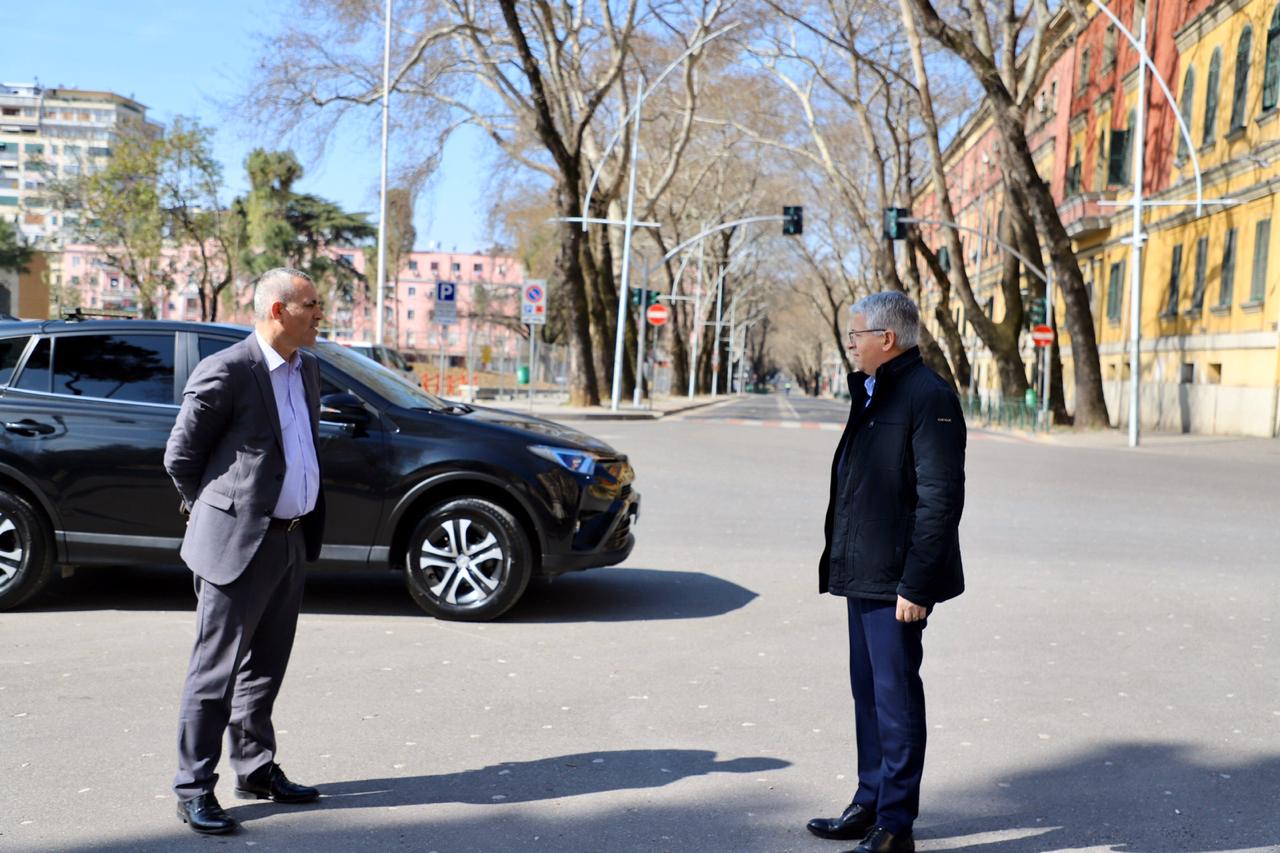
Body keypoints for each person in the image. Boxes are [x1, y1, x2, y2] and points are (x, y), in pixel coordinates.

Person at [164, 268, 327, 835]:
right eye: (312, 304)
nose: (320, 313)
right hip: (237, 545)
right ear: (278, 310)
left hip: (289, 540)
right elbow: (181, 457)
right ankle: (192, 789)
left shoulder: (308, 371)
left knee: (265, 669)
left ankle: (255, 768)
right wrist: (215, 515)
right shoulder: (227, 371)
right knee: (216, 674)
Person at [807, 291, 966, 853]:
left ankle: (896, 824)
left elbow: (940, 500)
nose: (851, 343)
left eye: (857, 335)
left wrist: (917, 585)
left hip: (898, 582)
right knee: (868, 694)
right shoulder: (874, 391)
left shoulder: (929, 397)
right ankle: (869, 801)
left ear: (886, 339)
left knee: (895, 698)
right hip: (864, 572)